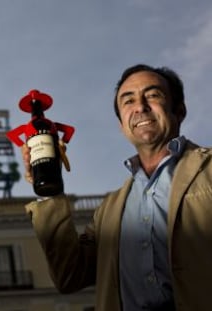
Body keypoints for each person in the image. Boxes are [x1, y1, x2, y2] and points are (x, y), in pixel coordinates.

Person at [21, 64, 212, 311]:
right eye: (128, 101)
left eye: (153, 95)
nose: (140, 107)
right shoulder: (109, 210)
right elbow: (69, 277)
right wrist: (51, 190)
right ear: (122, 124)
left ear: (179, 110)